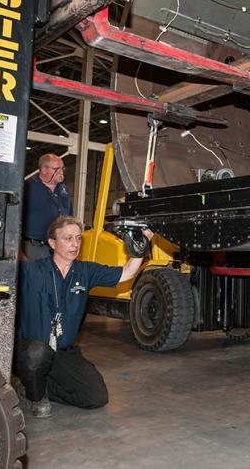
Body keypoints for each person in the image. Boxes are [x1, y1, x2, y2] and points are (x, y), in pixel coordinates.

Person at [14, 215, 152, 418]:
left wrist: (141, 248)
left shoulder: (85, 271)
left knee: (96, 397)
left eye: (78, 238)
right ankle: (31, 395)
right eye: (68, 238)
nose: (74, 244)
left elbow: (127, 273)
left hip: (63, 352)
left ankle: (38, 385)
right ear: (52, 243)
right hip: (30, 351)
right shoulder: (31, 271)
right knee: (36, 353)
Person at [22, 153, 72, 260]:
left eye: (62, 168)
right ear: (44, 170)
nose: (61, 172)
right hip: (35, 246)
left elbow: (69, 215)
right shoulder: (28, 188)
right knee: (39, 275)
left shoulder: (63, 190)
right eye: (57, 169)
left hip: (59, 247)